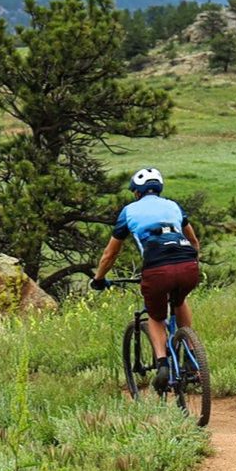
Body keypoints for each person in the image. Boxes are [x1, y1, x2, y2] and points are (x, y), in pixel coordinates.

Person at [92, 167, 201, 389]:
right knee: (179, 300)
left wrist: (98, 278)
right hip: (188, 265)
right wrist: (191, 264)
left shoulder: (129, 211)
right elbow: (194, 242)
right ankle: (191, 356)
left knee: (155, 315)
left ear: (137, 192)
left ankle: (162, 363)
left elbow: (110, 254)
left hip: (157, 270)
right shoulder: (173, 206)